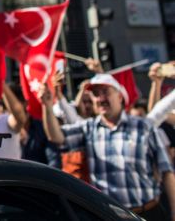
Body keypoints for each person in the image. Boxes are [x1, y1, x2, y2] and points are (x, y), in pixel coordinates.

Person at [42, 74, 175, 219]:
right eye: (95, 94)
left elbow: (167, 172)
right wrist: (47, 105)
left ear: (119, 97)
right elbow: (56, 137)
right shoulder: (88, 128)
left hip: (147, 214)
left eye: (105, 92)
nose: (100, 98)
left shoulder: (143, 127)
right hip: (108, 216)